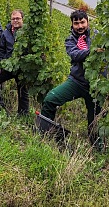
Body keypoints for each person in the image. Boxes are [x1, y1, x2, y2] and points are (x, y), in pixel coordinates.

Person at [39, 10, 101, 142]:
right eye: (76, 23)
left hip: (96, 86)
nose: (80, 26)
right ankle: (44, 133)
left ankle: (97, 147)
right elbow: (75, 55)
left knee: (95, 119)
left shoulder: (97, 36)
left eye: (82, 22)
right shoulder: (70, 40)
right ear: (72, 24)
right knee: (51, 98)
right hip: (77, 82)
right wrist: (92, 51)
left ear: (88, 22)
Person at [0, 9, 29, 114]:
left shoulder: (28, 33)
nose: (15, 20)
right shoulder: (6, 33)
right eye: (13, 19)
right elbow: (1, 49)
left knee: (22, 91)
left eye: (18, 18)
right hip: (9, 65)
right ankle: (0, 108)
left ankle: (23, 115)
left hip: (23, 67)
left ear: (23, 19)